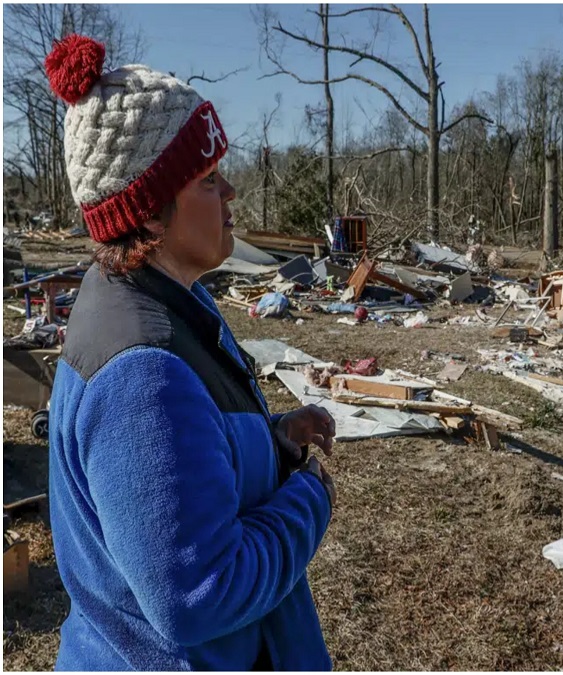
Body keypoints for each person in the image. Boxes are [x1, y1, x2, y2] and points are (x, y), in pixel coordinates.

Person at [44, 34, 338, 670]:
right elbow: (200, 593)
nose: (231, 192)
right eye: (208, 179)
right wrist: (310, 496)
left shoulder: (171, 299)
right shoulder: (140, 374)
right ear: (149, 215)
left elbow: (183, 458)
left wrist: (272, 440)